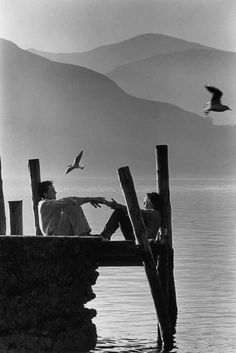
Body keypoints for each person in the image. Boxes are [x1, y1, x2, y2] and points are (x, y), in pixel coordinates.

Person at [38, 180, 105, 236]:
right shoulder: (44, 204)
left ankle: (84, 233)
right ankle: (83, 234)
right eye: (52, 191)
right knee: (72, 204)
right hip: (53, 236)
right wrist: (90, 199)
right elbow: (68, 200)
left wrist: (90, 200)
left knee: (71, 204)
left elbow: (66, 202)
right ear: (45, 194)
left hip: (57, 232)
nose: (55, 192)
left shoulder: (51, 204)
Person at [100, 192, 165, 241]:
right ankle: (105, 236)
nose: (143, 205)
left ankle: (105, 236)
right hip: (140, 238)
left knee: (119, 212)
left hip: (141, 241)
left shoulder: (154, 213)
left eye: (145, 203)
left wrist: (118, 206)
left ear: (150, 203)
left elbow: (135, 212)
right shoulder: (155, 214)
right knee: (123, 214)